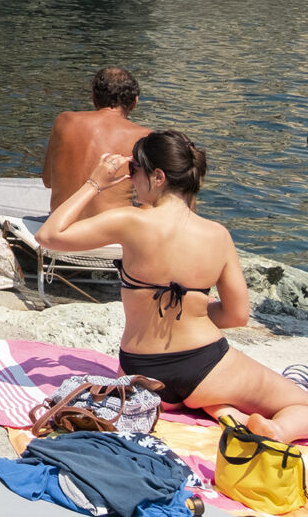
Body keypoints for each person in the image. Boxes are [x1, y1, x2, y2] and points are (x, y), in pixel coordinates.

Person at [39, 133, 308, 439]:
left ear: (158, 176)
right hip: (204, 366)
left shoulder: (130, 221)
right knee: (302, 404)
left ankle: (221, 409)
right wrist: (192, 312)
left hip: (141, 373)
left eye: (134, 171)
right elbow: (237, 316)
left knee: (205, 395)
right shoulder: (218, 235)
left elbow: (49, 236)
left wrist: (94, 184)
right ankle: (274, 430)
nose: (130, 181)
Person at [43, 68, 151, 219]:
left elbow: (47, 181)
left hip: (60, 224)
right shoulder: (145, 136)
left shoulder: (64, 120)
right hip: (107, 231)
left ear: (94, 98)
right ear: (134, 103)